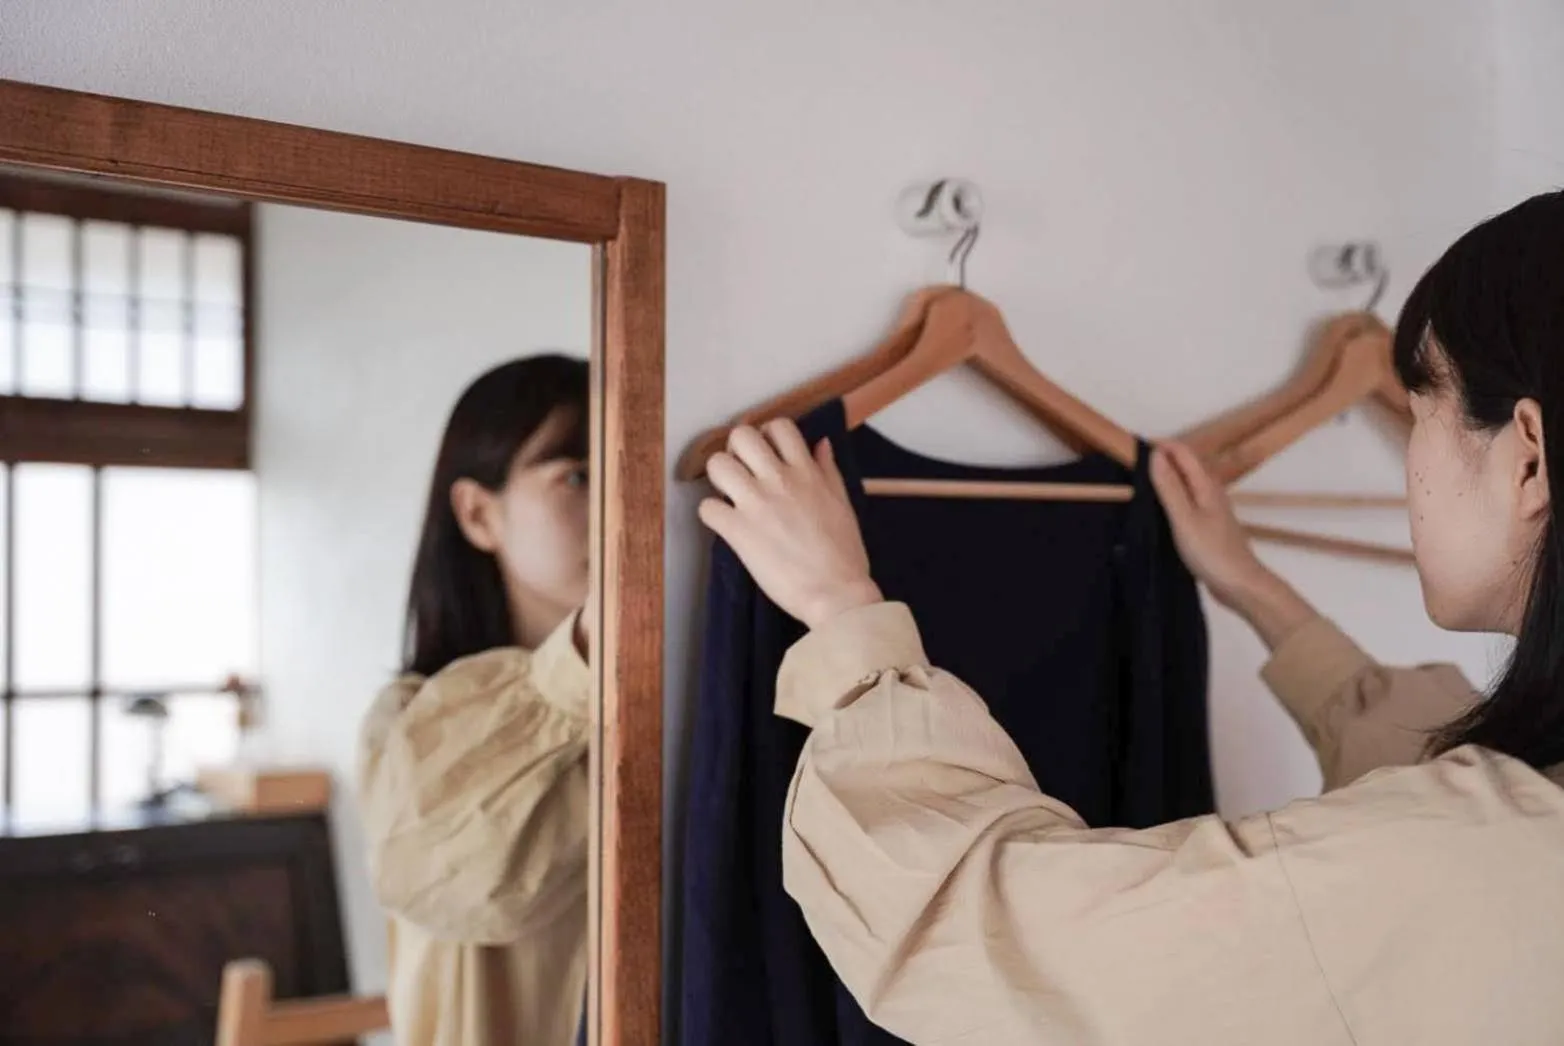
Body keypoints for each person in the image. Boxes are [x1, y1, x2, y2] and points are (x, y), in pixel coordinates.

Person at [697, 190, 1564, 1045]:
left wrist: (842, 609)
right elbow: (1444, 770)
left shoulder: (1462, 863)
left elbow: (998, 935)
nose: (1408, 460)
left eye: (1421, 411)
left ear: (1528, 458)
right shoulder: (1499, 839)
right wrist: (1250, 586)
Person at [358, 354, 593, 1046]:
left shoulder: (677, 694)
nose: (619, 499)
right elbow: (452, 885)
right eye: (577, 476)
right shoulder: (409, 721)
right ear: (477, 513)